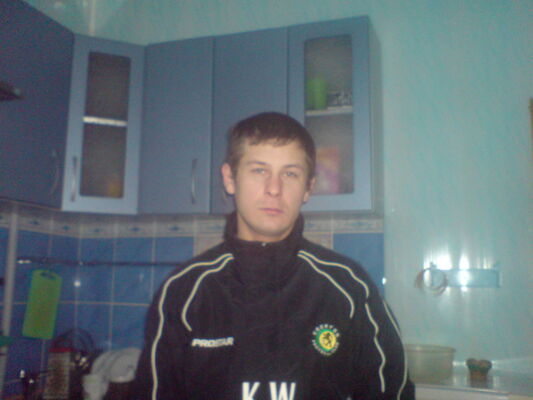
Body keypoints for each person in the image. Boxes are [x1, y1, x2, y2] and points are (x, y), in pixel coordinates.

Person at [133, 112, 415, 399]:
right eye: (259, 170)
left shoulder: (349, 287)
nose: (274, 189)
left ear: (308, 188)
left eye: (290, 174)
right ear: (230, 179)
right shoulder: (184, 291)